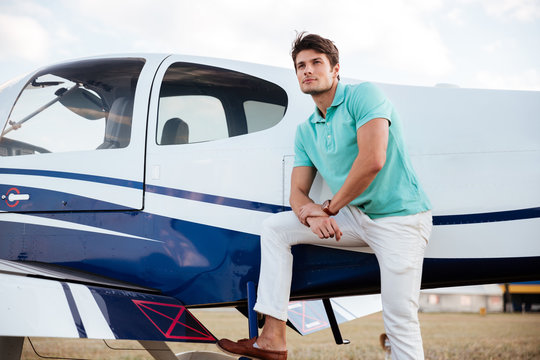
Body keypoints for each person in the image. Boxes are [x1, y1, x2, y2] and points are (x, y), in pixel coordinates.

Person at [218, 32, 432, 360]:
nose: (307, 70)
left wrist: (329, 208)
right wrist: (311, 214)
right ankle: (273, 338)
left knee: (399, 320)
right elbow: (297, 193)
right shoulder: (306, 130)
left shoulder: (364, 95)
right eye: (301, 65)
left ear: (335, 70)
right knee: (275, 229)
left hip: (400, 219)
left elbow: (373, 160)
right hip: (355, 217)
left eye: (316, 62)